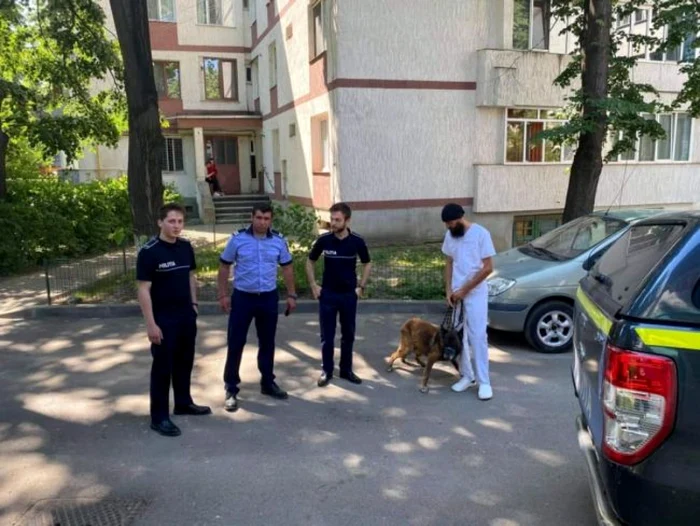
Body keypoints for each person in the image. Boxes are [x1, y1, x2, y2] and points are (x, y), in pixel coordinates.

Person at [136, 203, 212, 437]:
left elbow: (191, 276)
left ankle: (183, 403)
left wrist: (194, 305)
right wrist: (151, 324)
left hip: (185, 316)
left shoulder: (186, 247)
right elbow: (143, 290)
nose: (176, 226)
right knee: (162, 368)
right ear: (160, 222)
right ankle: (159, 417)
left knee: (184, 362)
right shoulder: (149, 252)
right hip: (163, 319)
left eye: (180, 221)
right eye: (171, 221)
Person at [217, 203, 297, 411]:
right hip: (243, 298)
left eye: (266, 218)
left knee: (267, 342)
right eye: (259, 217)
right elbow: (224, 266)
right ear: (251, 217)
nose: (262, 222)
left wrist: (291, 294)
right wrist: (223, 294)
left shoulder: (279, 241)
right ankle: (231, 388)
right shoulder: (237, 239)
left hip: (268, 298)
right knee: (236, 342)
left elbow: (287, 267)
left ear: (271, 220)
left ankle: (268, 383)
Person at [306, 203, 372, 387]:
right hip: (327, 295)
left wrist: (361, 287)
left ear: (347, 220)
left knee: (348, 334)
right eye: (332, 219)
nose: (333, 223)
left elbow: (367, 263)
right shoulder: (324, 240)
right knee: (327, 336)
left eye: (337, 220)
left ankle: (346, 370)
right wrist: (314, 285)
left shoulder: (357, 241)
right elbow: (310, 261)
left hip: (348, 296)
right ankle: (326, 371)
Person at [440, 203, 496, 401]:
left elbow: (488, 267)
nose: (448, 227)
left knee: (478, 336)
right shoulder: (450, 235)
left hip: (476, 294)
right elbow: (448, 262)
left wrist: (466, 290)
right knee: (457, 336)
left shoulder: (481, 234)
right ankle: (467, 375)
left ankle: (484, 382)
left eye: (451, 223)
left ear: (460, 218)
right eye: (447, 224)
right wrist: (449, 290)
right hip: (456, 295)